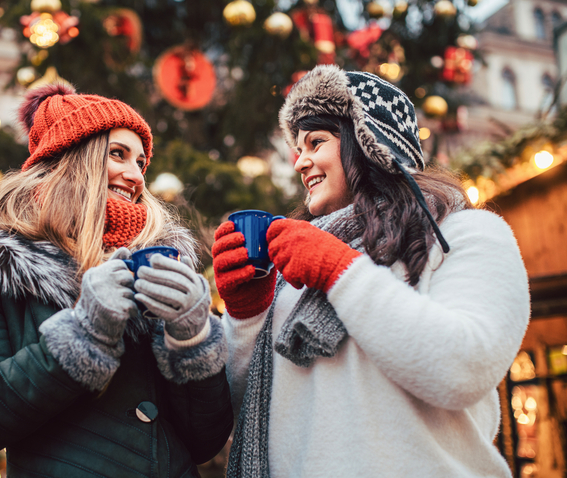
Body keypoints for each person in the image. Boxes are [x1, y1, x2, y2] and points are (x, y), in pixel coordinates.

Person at [213, 65, 530, 477]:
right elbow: (253, 408)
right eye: (298, 149)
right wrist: (246, 316)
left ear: (368, 143)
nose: (300, 162)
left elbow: (463, 368)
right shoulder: (297, 270)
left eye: (316, 142)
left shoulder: (466, 234)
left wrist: (341, 271)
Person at [0, 84, 233, 478]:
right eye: (117, 154)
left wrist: (192, 338)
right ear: (72, 159)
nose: (136, 176)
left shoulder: (162, 266)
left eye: (140, 161)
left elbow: (204, 441)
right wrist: (83, 333)